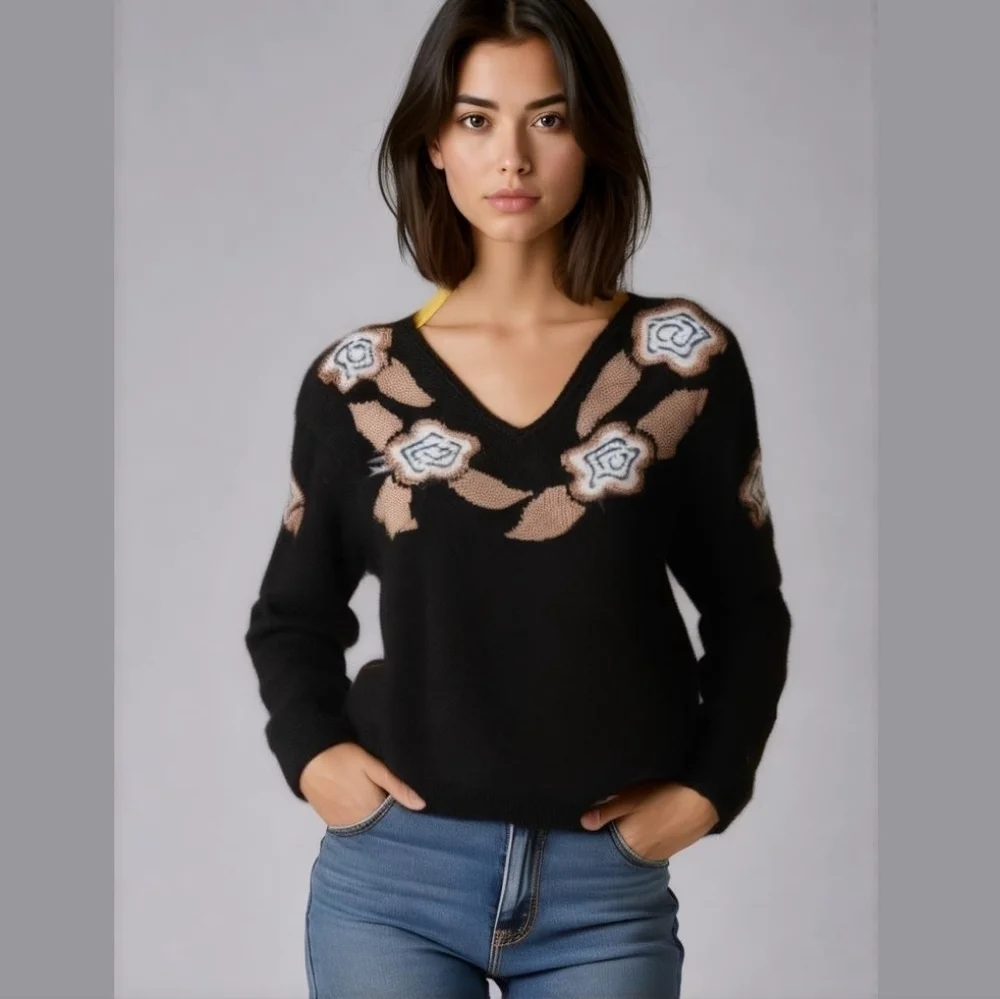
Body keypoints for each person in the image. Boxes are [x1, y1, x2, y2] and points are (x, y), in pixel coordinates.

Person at [243, 1, 792, 996]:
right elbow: (291, 616)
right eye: (476, 119)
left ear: (595, 136)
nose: (512, 158)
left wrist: (710, 790)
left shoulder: (681, 365)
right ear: (434, 144)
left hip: (602, 897)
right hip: (392, 884)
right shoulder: (357, 383)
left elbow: (748, 611)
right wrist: (314, 756)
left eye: (549, 117)